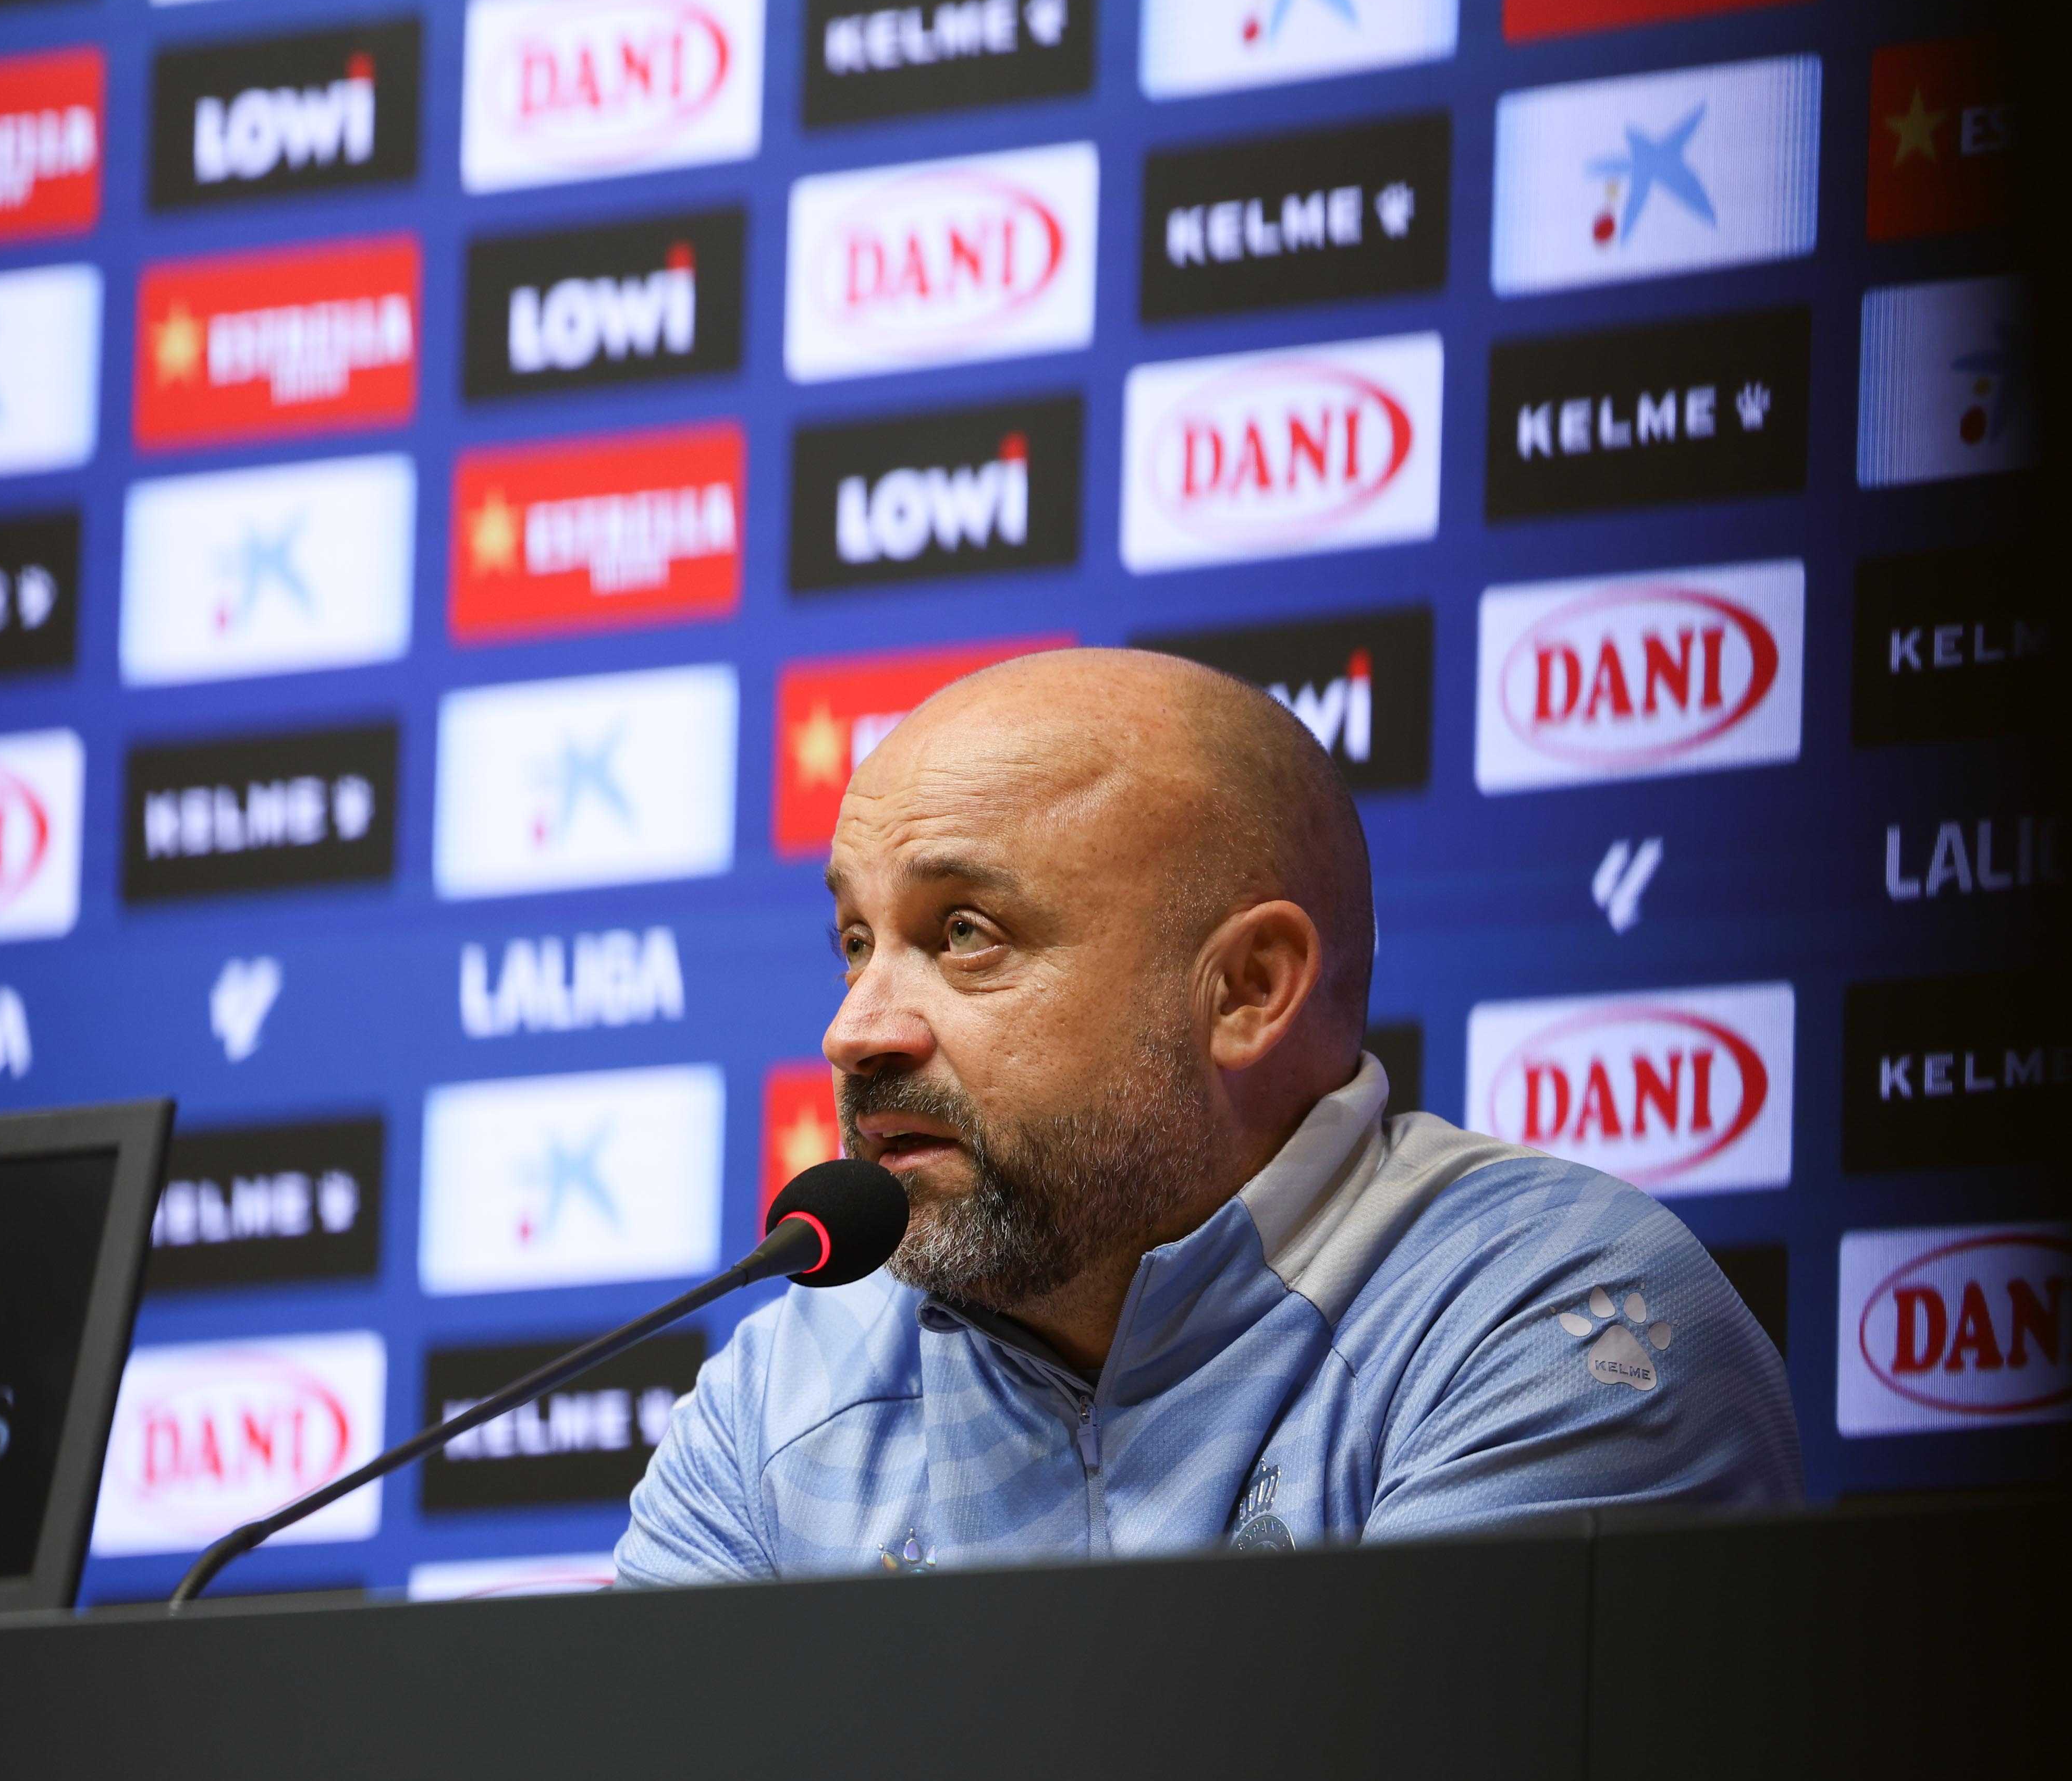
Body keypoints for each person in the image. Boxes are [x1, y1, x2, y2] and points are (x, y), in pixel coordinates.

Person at [618, 648, 1800, 1584]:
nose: (855, 1030)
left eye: (965, 934)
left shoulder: (1542, 1319)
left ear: (1246, 990)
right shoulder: (782, 1396)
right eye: (855, 942)